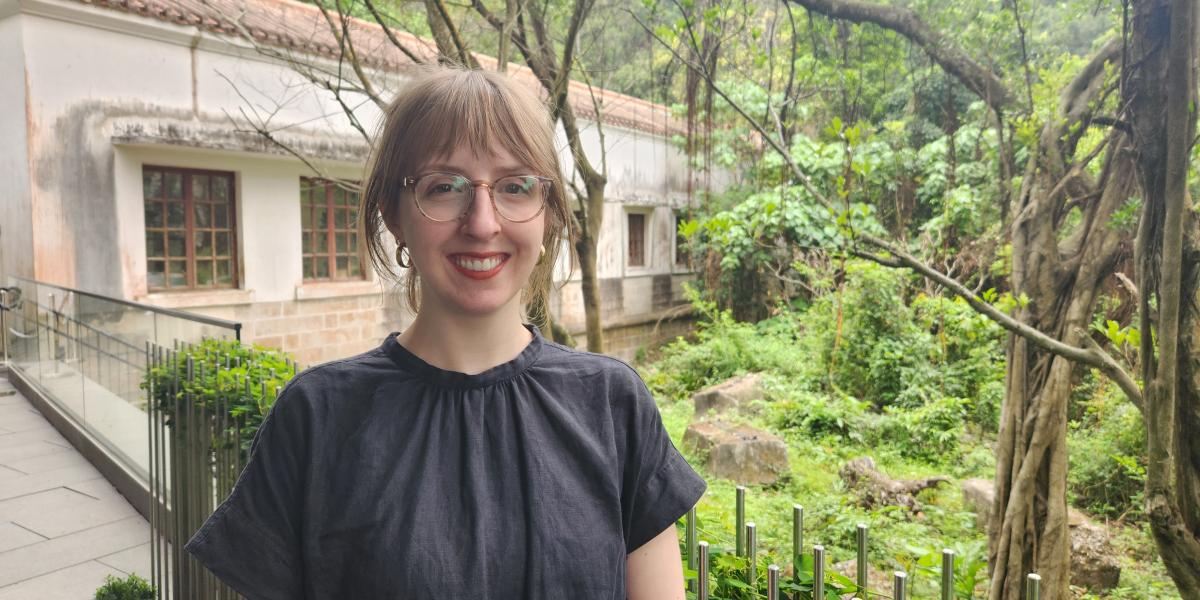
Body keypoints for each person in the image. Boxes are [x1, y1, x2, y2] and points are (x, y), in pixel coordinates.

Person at [184, 66, 706, 599]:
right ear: (393, 215)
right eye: (444, 187)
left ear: (546, 214)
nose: (482, 222)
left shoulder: (612, 404)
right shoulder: (316, 417)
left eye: (516, 186)